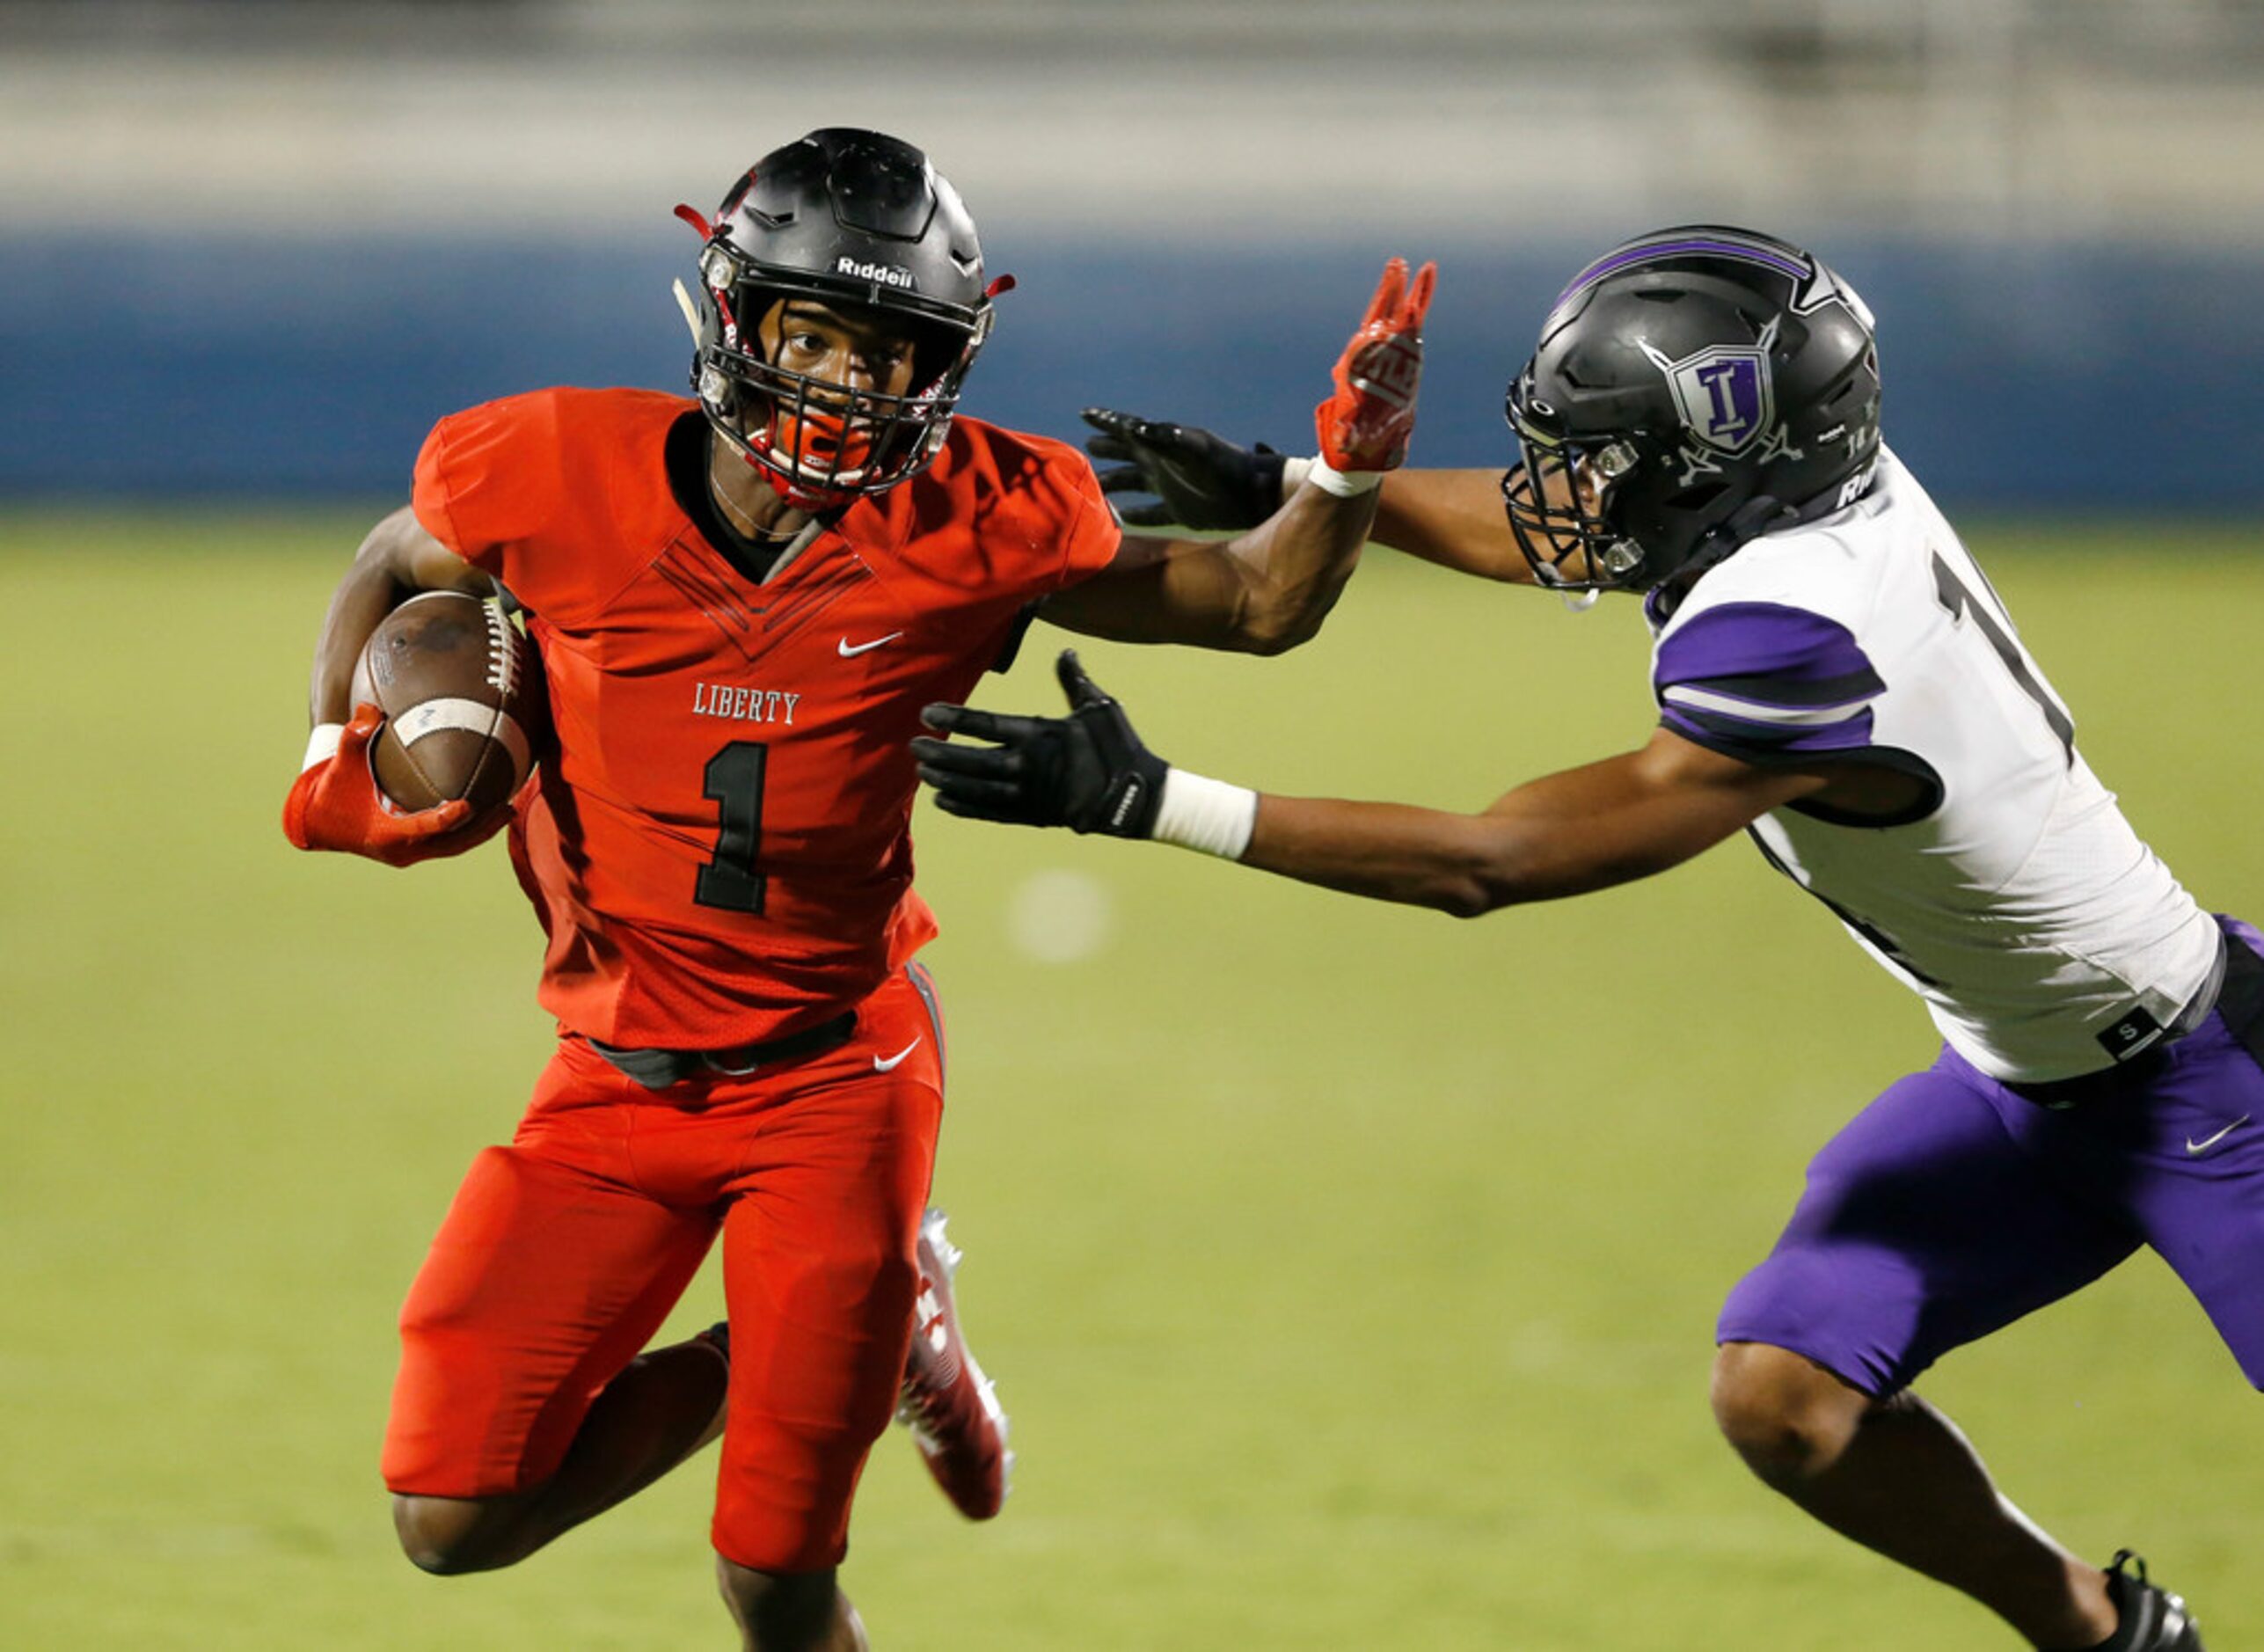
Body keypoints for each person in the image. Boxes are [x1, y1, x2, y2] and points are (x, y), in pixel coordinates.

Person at [915, 225, 2257, 1652]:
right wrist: (1303, 487)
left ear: (1716, 468)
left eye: (1605, 454)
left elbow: (1493, 862)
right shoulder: (1804, 504)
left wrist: (1155, 799)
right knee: (1784, 1399)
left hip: (2213, 1085)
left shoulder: (1806, 627)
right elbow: (1573, 523)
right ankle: (2106, 1632)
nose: (1567, 487)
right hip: (2020, 1083)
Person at [281, 126, 1436, 1650]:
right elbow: (394, 553)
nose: (841, 385)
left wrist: (1345, 463)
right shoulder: (551, 466)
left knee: (773, 1575)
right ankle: (892, 1328)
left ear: (938, 368)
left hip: (835, 1078)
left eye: (886, 353)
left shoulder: (974, 517)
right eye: (812, 335)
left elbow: (1259, 600)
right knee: (453, 1513)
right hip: (610, 1076)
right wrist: (335, 746)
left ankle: (873, 1313)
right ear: (735, 319)